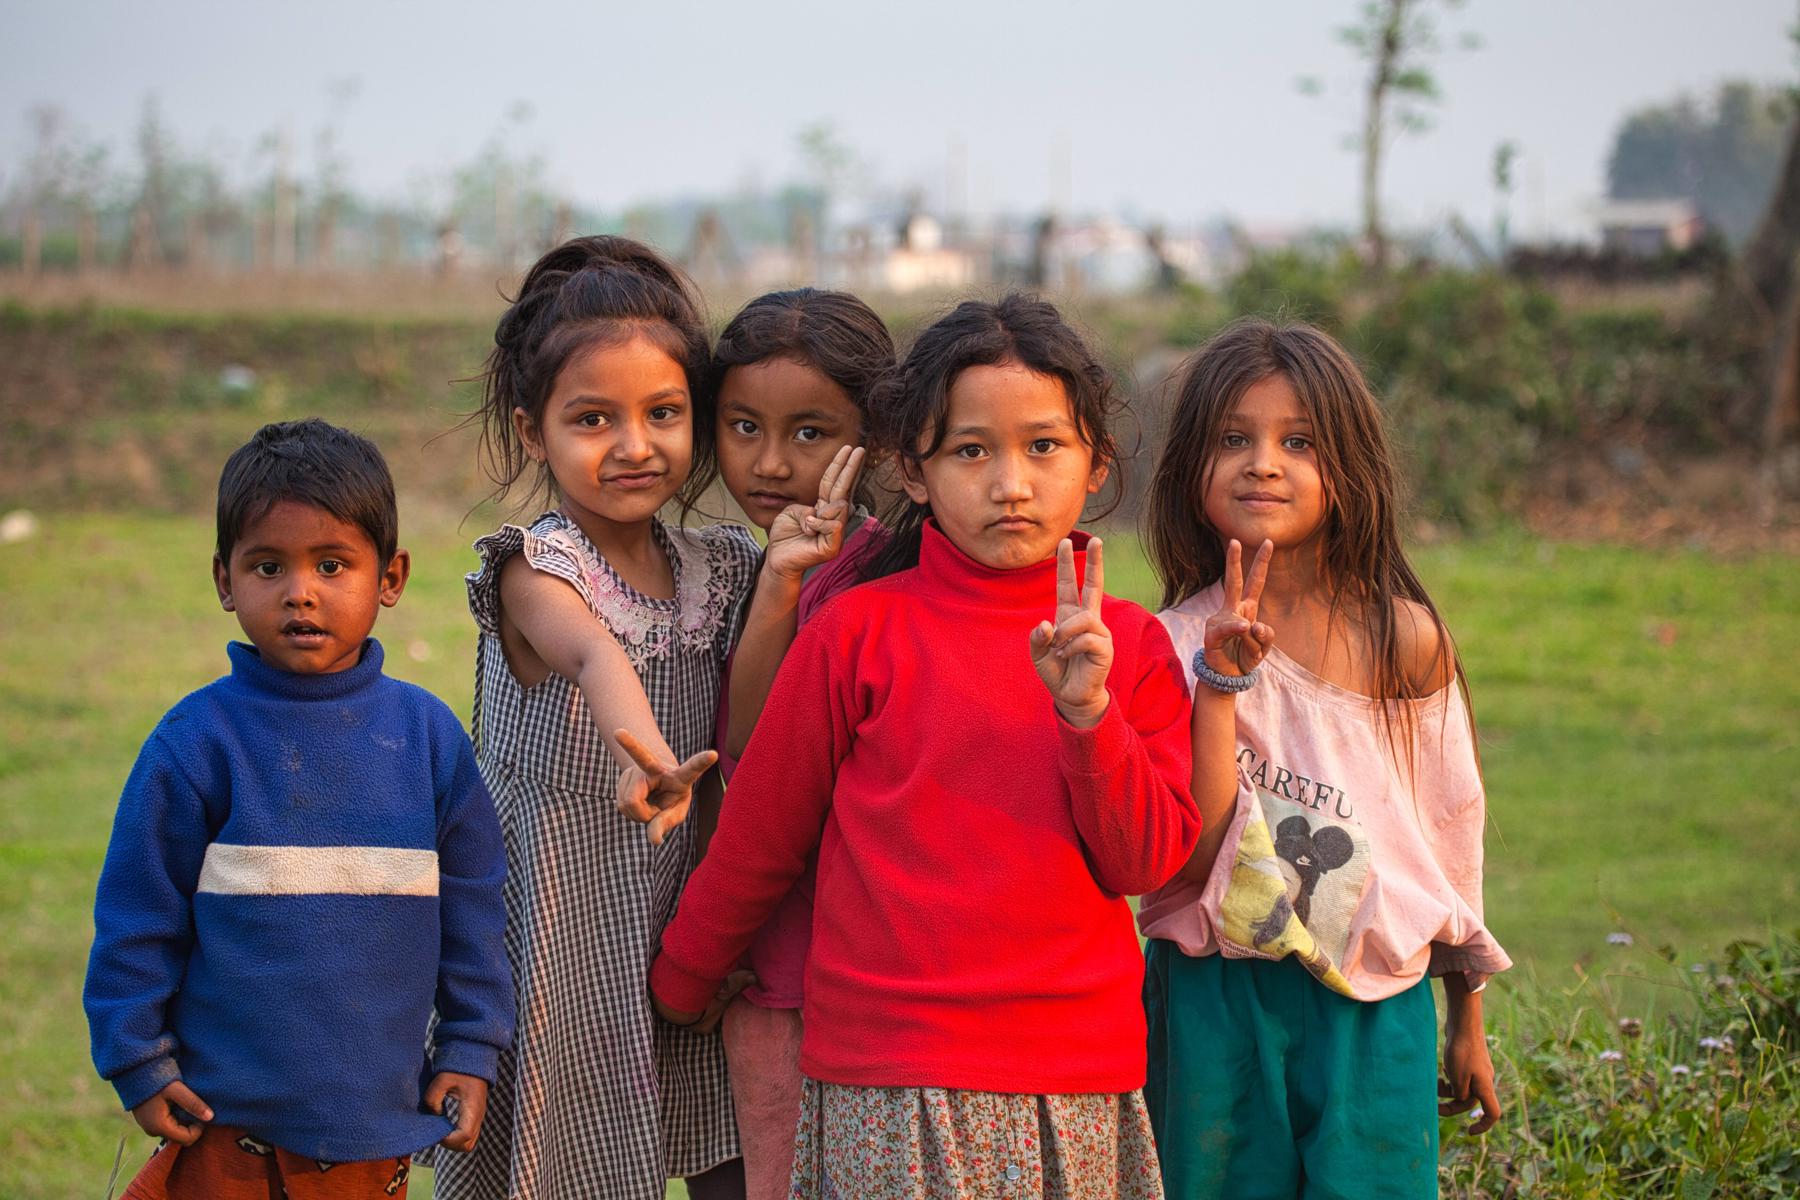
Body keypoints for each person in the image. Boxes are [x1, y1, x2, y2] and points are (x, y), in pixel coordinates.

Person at [648, 294, 1200, 1199]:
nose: (1009, 482)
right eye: (971, 450)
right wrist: (683, 977)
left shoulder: (1129, 646)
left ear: (1096, 465)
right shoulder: (859, 632)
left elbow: (1143, 858)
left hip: (1074, 1073)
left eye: (1043, 447)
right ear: (914, 471)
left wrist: (1088, 718)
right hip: (885, 1075)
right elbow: (762, 830)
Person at [83, 418, 512, 1200]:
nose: (300, 592)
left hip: (371, 1127)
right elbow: (137, 916)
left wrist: (470, 1046)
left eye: (333, 564)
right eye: (268, 566)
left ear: (391, 577)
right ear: (224, 580)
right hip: (221, 1125)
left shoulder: (428, 740)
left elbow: (476, 915)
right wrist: (138, 1060)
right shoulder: (196, 743)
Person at [1136, 317, 1512, 1198]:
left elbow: (1450, 835)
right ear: (1193, 468)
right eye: (1234, 438)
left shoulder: (1406, 641)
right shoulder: (1167, 645)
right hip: (1213, 1002)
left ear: (1347, 474)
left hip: (1377, 1013)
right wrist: (1217, 687)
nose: (1263, 461)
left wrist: (1468, 1018)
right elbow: (1188, 855)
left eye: (1297, 441)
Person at [432, 236, 759, 1200]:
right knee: (560, 1166)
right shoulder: (536, 565)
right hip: (559, 926)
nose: (634, 445)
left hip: (683, 917)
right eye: (592, 419)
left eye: (664, 413)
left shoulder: (724, 565)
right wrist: (646, 752)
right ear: (534, 432)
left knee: (729, 1149)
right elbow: (592, 652)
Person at [703, 288, 895, 1200]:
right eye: (743, 426)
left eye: (811, 433)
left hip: (816, 977)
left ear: (879, 440)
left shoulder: (862, 583)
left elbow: (757, 752)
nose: (770, 461)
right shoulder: (767, 564)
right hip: (770, 966)